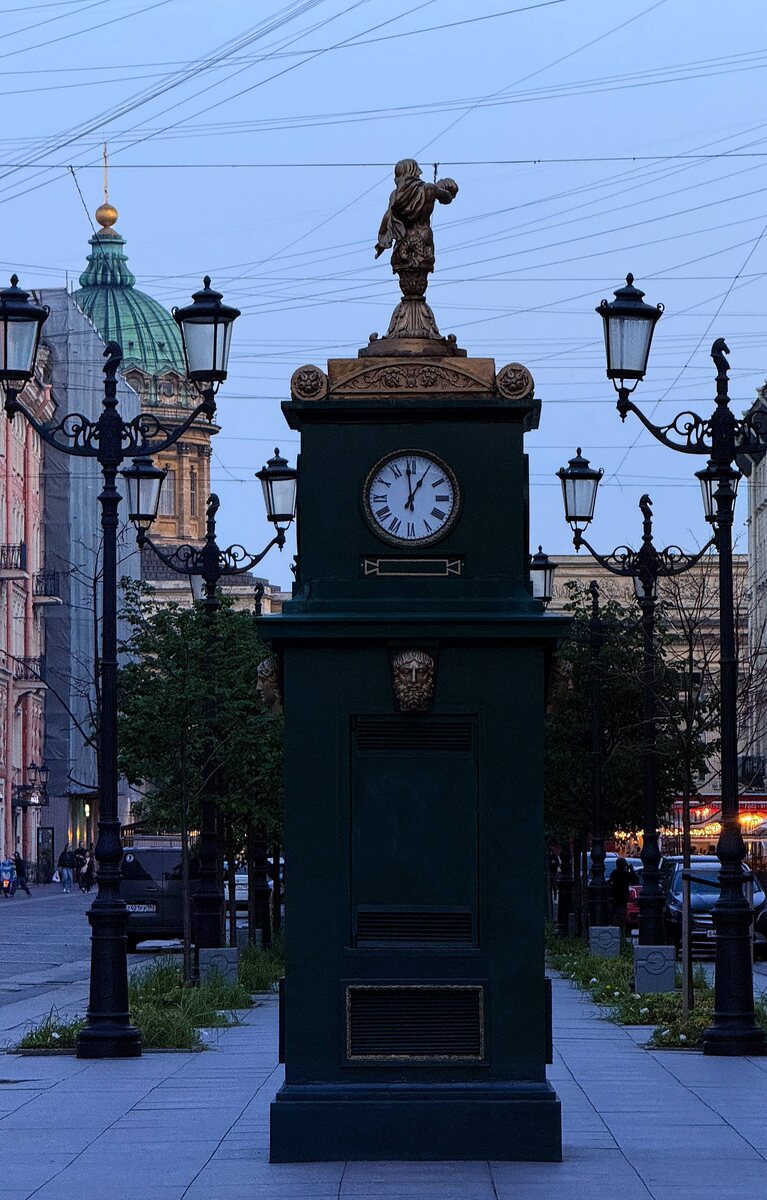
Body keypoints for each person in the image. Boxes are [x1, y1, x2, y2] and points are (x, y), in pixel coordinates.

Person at [609, 856, 631, 934]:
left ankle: (619, 932)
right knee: (620, 917)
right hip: (621, 899)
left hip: (617, 899)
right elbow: (635, 879)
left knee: (618, 916)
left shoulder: (614, 873)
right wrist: (630, 869)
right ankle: (620, 932)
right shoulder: (625, 874)